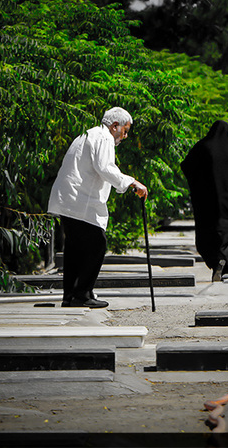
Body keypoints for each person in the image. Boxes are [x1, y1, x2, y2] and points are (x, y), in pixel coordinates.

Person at [48, 107, 148, 308]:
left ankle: (71, 296)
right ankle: (82, 294)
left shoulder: (90, 134)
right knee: (97, 244)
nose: (125, 136)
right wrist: (132, 182)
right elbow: (105, 168)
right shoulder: (104, 138)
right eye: (125, 130)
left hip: (70, 200)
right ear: (114, 126)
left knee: (76, 248)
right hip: (78, 201)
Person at [181, 121, 228, 282]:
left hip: (207, 204)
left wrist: (202, 183)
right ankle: (225, 263)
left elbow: (187, 165)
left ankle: (216, 261)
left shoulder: (203, 147)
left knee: (208, 233)